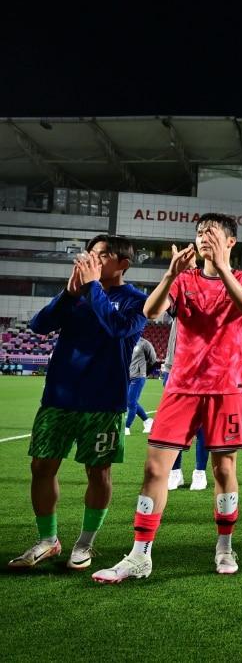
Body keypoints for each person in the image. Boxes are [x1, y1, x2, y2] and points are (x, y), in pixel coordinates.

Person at [92, 213, 242, 582]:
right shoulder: (182, 280)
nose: (204, 237)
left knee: (223, 469)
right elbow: (151, 312)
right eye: (200, 232)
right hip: (181, 385)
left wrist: (221, 268)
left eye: (212, 233)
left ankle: (224, 545)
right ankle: (140, 555)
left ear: (230, 241)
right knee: (155, 468)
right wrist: (169, 275)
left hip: (226, 387)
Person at [8, 235, 147, 571]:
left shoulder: (136, 300)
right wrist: (68, 294)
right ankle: (48, 540)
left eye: (100, 255)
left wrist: (92, 288)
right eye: (90, 255)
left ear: (122, 263)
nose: (90, 261)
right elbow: (40, 326)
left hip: (104, 402)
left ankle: (85, 543)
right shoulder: (77, 293)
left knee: (98, 472)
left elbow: (117, 329)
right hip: (59, 396)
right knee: (41, 466)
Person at [163, 319, 209, 492]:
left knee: (202, 426)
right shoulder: (179, 295)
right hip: (174, 368)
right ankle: (175, 472)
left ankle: (200, 471)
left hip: (204, 369)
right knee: (175, 427)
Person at [125, 336, 157, 436]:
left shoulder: (144, 343)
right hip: (128, 376)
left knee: (131, 402)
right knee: (130, 402)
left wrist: (143, 372)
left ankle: (127, 427)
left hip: (138, 377)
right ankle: (148, 421)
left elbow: (153, 360)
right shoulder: (127, 341)